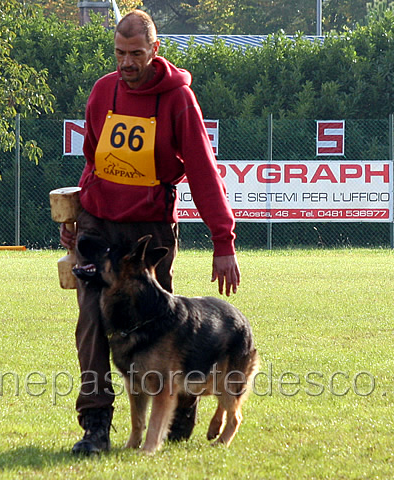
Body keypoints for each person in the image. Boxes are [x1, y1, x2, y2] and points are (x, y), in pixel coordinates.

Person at [60, 9, 240, 455]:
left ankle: (179, 407)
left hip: (149, 232)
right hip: (100, 224)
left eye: (135, 53)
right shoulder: (103, 91)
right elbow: (91, 161)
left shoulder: (178, 99)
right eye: (119, 53)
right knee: (92, 320)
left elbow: (202, 171)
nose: (126, 63)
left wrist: (223, 241)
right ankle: (96, 423)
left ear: (154, 50)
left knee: (163, 324)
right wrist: (76, 221)